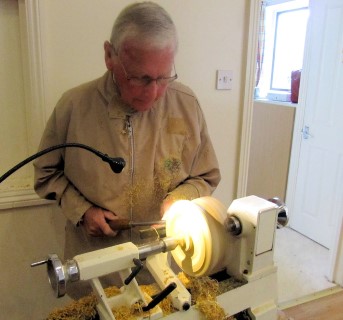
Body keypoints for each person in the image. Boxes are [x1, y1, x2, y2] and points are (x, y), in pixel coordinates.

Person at [34, 1, 220, 298]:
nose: (154, 92)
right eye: (141, 78)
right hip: (95, 271)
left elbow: (206, 176)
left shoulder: (186, 104)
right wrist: (82, 212)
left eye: (163, 78)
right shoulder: (73, 107)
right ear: (110, 55)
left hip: (162, 272)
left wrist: (180, 199)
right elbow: (45, 174)